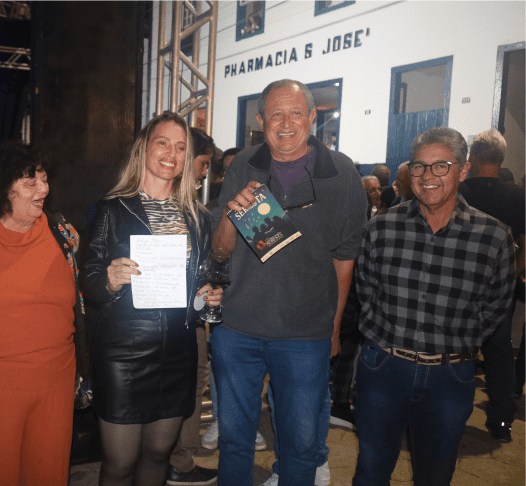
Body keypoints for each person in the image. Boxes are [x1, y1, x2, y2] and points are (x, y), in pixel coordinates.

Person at [209, 79, 367, 485]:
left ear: (313, 117)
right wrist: (230, 214)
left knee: (299, 447)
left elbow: (345, 258)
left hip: (304, 335)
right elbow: (220, 251)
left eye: (296, 113)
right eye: (275, 114)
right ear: (261, 121)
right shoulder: (244, 164)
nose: (286, 123)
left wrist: (333, 328)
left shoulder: (343, 173)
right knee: (234, 441)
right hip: (237, 330)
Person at [353, 127, 517, 485]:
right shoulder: (381, 227)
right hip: (383, 369)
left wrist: (459, 342)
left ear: (464, 170)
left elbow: (496, 306)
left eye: (441, 166)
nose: (427, 176)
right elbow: (366, 291)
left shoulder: (492, 236)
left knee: (436, 475)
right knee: (371, 470)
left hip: (450, 376)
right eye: (419, 166)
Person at [80, 112, 222, 486]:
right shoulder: (111, 208)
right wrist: (108, 280)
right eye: (163, 143)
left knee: (158, 454)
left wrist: (209, 296)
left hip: (178, 351)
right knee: (120, 461)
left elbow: (201, 282)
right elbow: (88, 280)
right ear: (144, 148)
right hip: (123, 353)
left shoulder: (197, 217)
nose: (171, 154)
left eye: (180, 147)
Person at [0, 140, 90, 485]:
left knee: (48, 475)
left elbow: (84, 299)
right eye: (31, 183)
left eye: (44, 180)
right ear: (3, 188)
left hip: (57, 382)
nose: (43, 189)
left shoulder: (63, 233)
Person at [458, 129, 525, 442]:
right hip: (502, 287)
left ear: (473, 157)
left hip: (460, 284)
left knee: (458, 352)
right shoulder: (518, 196)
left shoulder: (460, 192)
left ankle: (452, 416)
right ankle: (501, 423)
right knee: (500, 354)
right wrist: (513, 273)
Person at [167, 125, 220, 486]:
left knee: (194, 377)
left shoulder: (196, 212)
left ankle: (177, 458)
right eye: (203, 164)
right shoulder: (169, 208)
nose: (205, 173)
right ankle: (178, 462)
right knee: (187, 380)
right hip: (170, 319)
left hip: (192, 313)